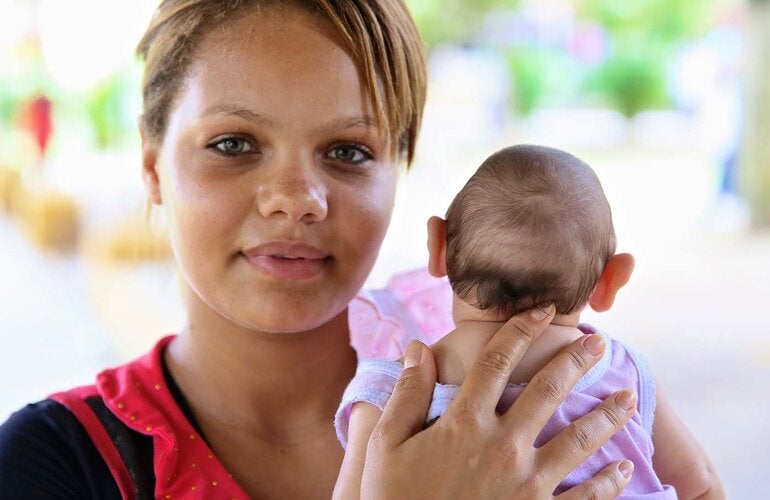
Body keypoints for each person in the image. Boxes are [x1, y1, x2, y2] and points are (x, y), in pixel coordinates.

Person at [0, 2, 638, 498]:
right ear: (151, 166)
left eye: (348, 152)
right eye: (233, 143)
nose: (294, 198)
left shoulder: (550, 405)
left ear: (401, 173)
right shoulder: (53, 462)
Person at [335, 145, 724, 499]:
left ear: (439, 249)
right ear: (610, 281)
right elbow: (703, 485)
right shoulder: (628, 380)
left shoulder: (387, 399)